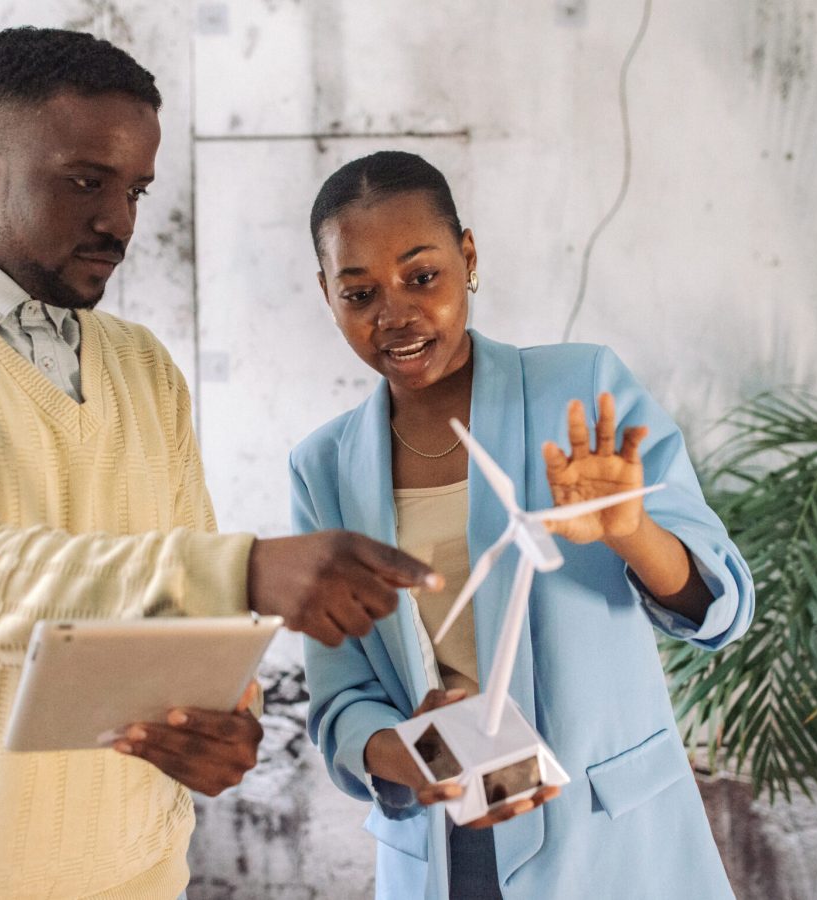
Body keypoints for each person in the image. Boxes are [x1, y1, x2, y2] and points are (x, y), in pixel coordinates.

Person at [0, 29, 436, 899]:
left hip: (137, 876)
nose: (119, 221)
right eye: (86, 182)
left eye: (136, 190)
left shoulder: (143, 365)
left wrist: (227, 722)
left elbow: (193, 628)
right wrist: (248, 569)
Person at [292, 151, 756, 899]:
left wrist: (628, 528)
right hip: (447, 834)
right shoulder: (322, 469)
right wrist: (412, 753)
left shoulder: (581, 390)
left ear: (467, 258)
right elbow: (340, 699)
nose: (396, 313)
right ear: (327, 295)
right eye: (359, 292)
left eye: (422, 276)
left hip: (608, 835)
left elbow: (721, 610)